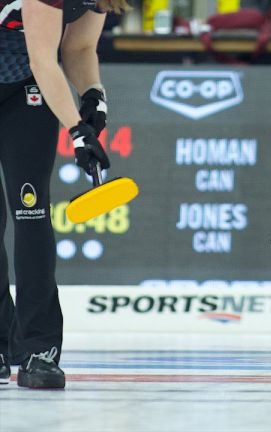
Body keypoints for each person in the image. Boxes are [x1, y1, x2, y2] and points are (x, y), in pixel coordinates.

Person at [0, 0, 127, 389]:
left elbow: (77, 48)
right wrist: (76, 130)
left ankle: (40, 350)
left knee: (32, 214)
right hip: (35, 70)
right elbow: (43, 58)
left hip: (26, 90)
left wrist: (93, 96)